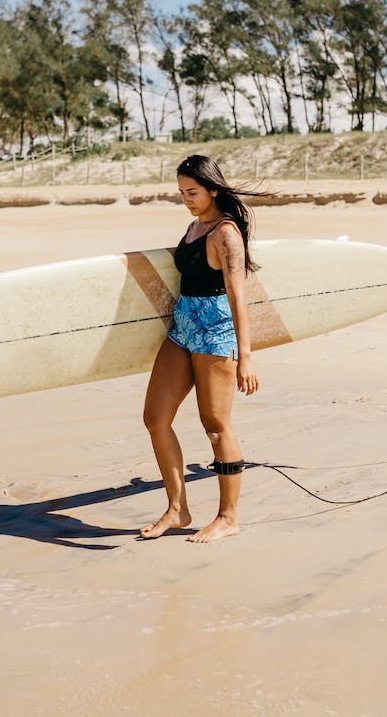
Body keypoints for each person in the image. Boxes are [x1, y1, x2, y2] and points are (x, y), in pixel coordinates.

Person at [140, 155, 267, 544]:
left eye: (192, 192)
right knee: (155, 418)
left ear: (213, 188)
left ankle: (228, 517)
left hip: (215, 334)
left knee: (215, 426)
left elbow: (237, 296)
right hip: (184, 329)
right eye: (181, 193)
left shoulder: (226, 233)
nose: (186, 200)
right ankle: (177, 509)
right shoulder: (195, 225)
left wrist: (244, 355)